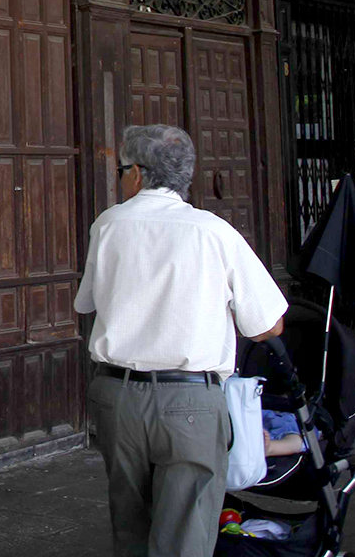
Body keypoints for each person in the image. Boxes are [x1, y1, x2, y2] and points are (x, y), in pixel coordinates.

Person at [76, 124, 288, 557]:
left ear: (136, 173)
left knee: (130, 522)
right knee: (187, 533)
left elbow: (87, 304)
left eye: (121, 170)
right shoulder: (213, 232)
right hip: (190, 402)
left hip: (117, 396)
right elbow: (269, 325)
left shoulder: (109, 225)